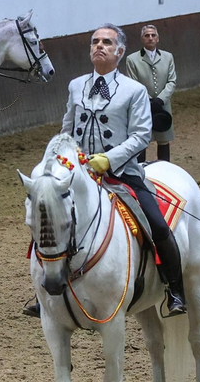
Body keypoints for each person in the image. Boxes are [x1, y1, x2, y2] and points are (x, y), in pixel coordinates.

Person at [48, 24, 186, 319]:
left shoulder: (134, 91)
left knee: (157, 225)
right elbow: (67, 130)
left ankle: (175, 288)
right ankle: (46, 286)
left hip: (122, 174)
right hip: (80, 175)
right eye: (95, 42)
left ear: (120, 52)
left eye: (107, 42)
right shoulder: (75, 86)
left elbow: (140, 135)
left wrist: (109, 160)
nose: (100, 46)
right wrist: (64, 160)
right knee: (48, 216)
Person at [123, 24, 176, 163]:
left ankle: (165, 168)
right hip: (142, 106)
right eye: (147, 35)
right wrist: (148, 100)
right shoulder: (132, 60)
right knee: (142, 139)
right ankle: (140, 170)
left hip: (163, 106)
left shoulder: (168, 57)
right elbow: (132, 83)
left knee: (163, 140)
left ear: (157, 38)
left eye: (153, 35)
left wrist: (161, 100)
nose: (150, 38)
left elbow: (172, 81)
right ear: (142, 39)